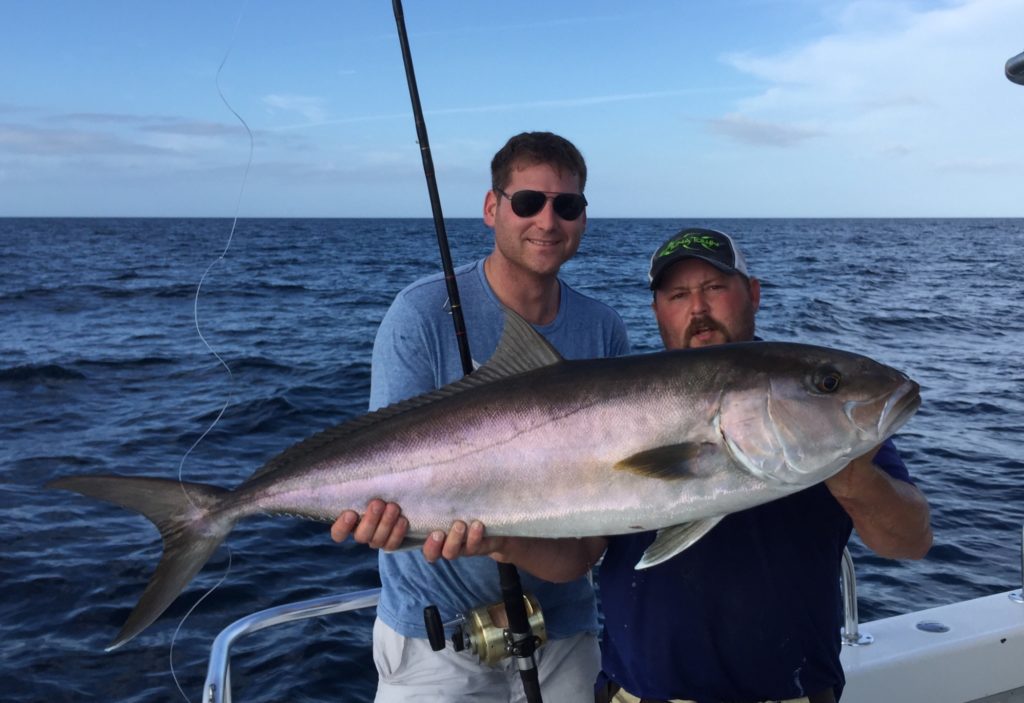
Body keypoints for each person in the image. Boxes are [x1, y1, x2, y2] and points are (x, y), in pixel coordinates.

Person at [340, 226, 933, 703]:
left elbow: (910, 540)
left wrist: (851, 473)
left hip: (793, 692)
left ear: (752, 293)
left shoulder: (831, 433)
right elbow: (577, 557)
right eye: (677, 295)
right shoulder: (622, 406)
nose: (697, 308)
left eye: (715, 288)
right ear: (656, 310)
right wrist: (498, 540)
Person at [330, 131, 630, 702]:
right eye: (527, 202)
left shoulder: (603, 328)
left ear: (583, 219)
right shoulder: (420, 313)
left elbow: (600, 522)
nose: (548, 220)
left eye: (566, 205)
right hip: (435, 641)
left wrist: (506, 540)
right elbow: (383, 460)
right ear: (493, 209)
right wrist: (383, 524)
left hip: (564, 630)